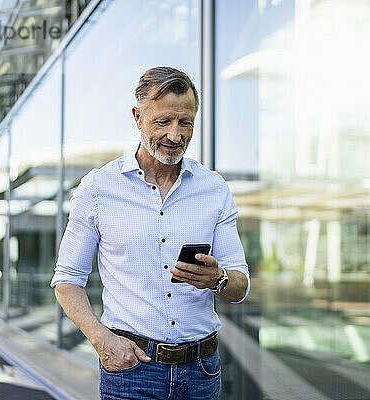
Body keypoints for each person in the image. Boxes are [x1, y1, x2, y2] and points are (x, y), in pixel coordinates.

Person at [50, 66, 250, 400]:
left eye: (185, 123)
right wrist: (102, 340)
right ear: (137, 117)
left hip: (202, 372)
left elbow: (240, 285)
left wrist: (217, 279)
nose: (175, 135)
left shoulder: (214, 189)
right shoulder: (99, 188)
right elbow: (66, 280)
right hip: (131, 371)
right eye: (163, 122)